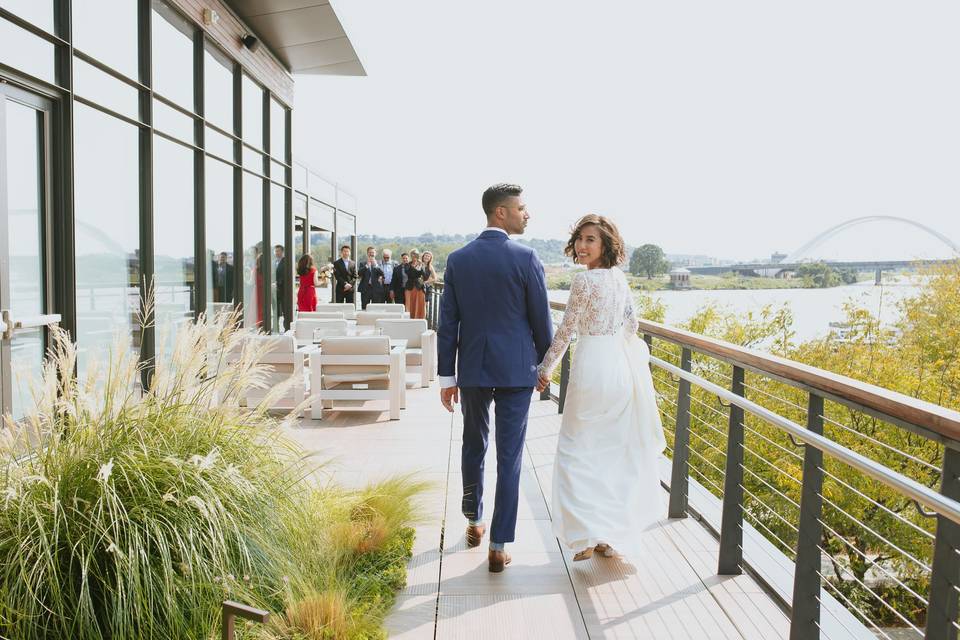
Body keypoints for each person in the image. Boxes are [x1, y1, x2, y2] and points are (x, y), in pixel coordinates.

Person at [536, 214, 667, 561]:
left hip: (592, 368)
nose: (581, 246)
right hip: (619, 370)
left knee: (575, 450)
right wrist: (618, 351)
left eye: (590, 239)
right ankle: (609, 536)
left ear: (606, 243)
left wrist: (545, 368)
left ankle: (585, 535)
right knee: (612, 452)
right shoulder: (620, 279)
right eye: (579, 239)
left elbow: (565, 331)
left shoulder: (583, 282)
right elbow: (633, 324)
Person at [437, 183, 552, 573]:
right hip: (518, 371)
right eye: (521, 208)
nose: (527, 214)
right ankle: (499, 545)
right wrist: (545, 367)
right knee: (510, 456)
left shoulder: (458, 260)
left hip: (471, 368)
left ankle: (473, 520)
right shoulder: (527, 257)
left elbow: (447, 323)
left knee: (473, 444)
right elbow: (541, 321)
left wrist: (445, 378)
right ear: (500, 213)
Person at [403, 249, 427, 319]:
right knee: (409, 304)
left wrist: (421, 266)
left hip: (419, 287)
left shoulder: (421, 264)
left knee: (420, 304)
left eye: (416, 254)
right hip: (409, 287)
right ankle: (409, 320)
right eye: (413, 254)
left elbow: (425, 276)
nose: (414, 256)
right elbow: (409, 273)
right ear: (411, 255)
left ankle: (419, 320)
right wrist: (416, 268)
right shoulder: (407, 265)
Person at [274, 244, 287, 328]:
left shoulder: (285, 262)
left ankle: (286, 328)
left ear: (282, 252)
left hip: (283, 290)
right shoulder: (274, 262)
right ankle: (276, 328)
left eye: (278, 251)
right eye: (275, 251)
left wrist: (277, 283)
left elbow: (284, 276)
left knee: (285, 310)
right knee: (276, 310)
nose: (276, 253)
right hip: (275, 290)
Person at [422, 250, 439, 317]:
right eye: (426, 255)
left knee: (424, 305)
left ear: (430, 258)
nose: (427, 257)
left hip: (427, 287)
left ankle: (423, 320)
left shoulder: (430, 267)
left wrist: (426, 282)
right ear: (423, 256)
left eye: (428, 256)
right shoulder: (419, 264)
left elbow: (435, 278)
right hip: (418, 287)